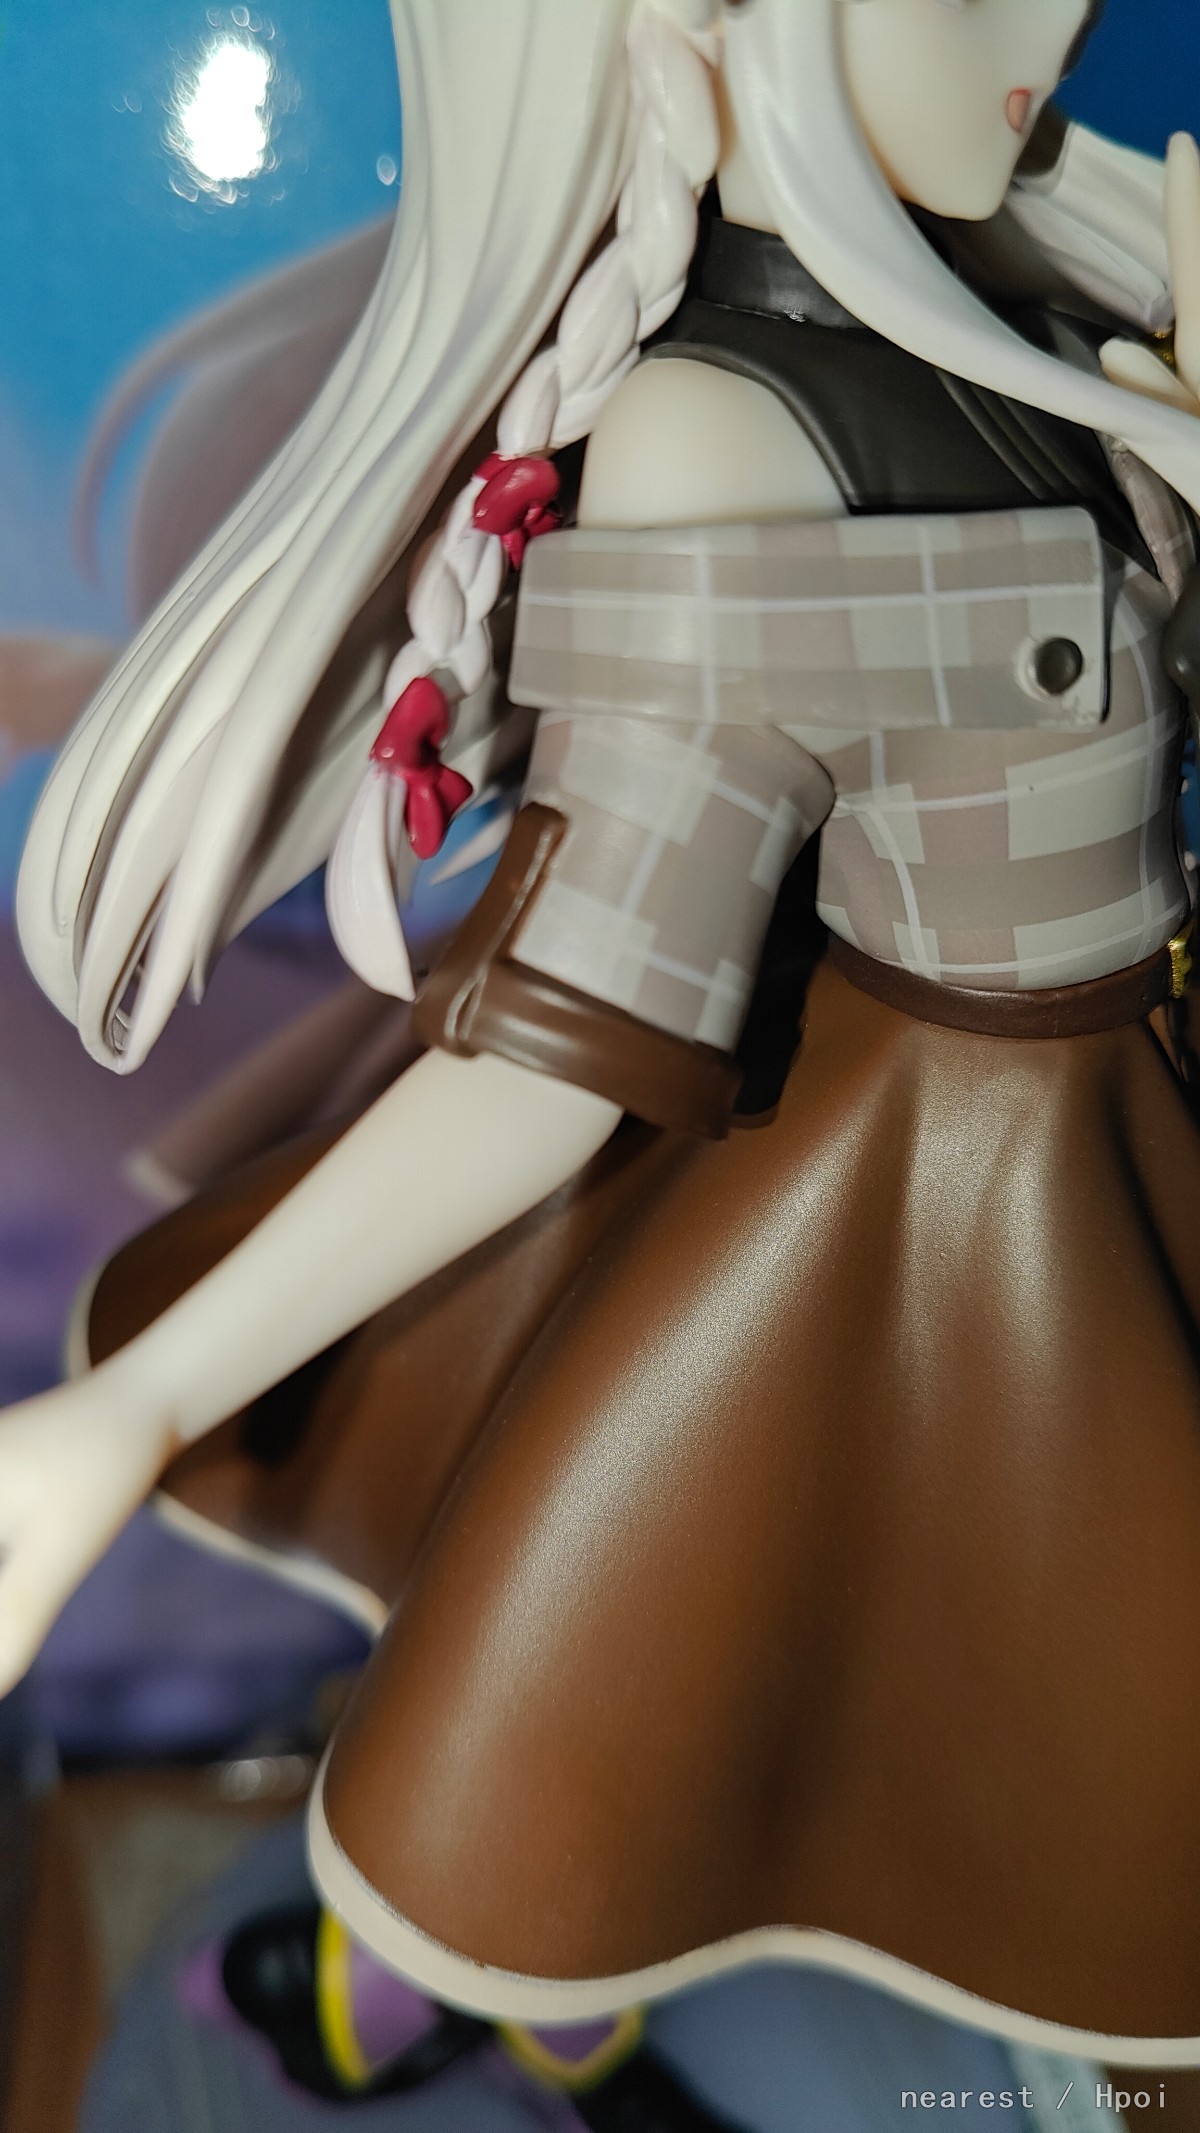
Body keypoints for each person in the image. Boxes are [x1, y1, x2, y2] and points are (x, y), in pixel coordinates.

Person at [5, 0, 1200, 2080]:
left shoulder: (1018, 346)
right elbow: (563, 1048)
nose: (1056, 21)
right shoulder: (726, 440)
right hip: (957, 1232)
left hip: (1112, 1127)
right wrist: (141, 1401)